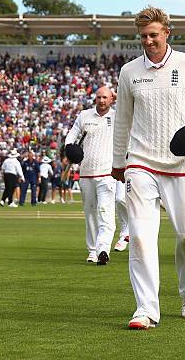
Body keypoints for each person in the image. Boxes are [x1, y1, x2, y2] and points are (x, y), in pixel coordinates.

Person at [112, 6, 185, 329]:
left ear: (166, 33)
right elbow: (122, 120)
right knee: (142, 237)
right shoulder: (129, 72)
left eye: (153, 35)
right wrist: (119, 162)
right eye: (143, 36)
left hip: (183, 165)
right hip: (141, 163)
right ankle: (145, 309)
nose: (148, 41)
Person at [65, 86, 117, 264]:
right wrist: (69, 148)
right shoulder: (84, 115)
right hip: (86, 174)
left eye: (105, 97)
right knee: (90, 213)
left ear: (111, 99)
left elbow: (136, 112)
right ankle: (93, 250)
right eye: (99, 97)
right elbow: (72, 135)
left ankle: (103, 249)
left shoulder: (118, 116)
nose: (101, 101)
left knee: (105, 211)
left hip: (107, 174)